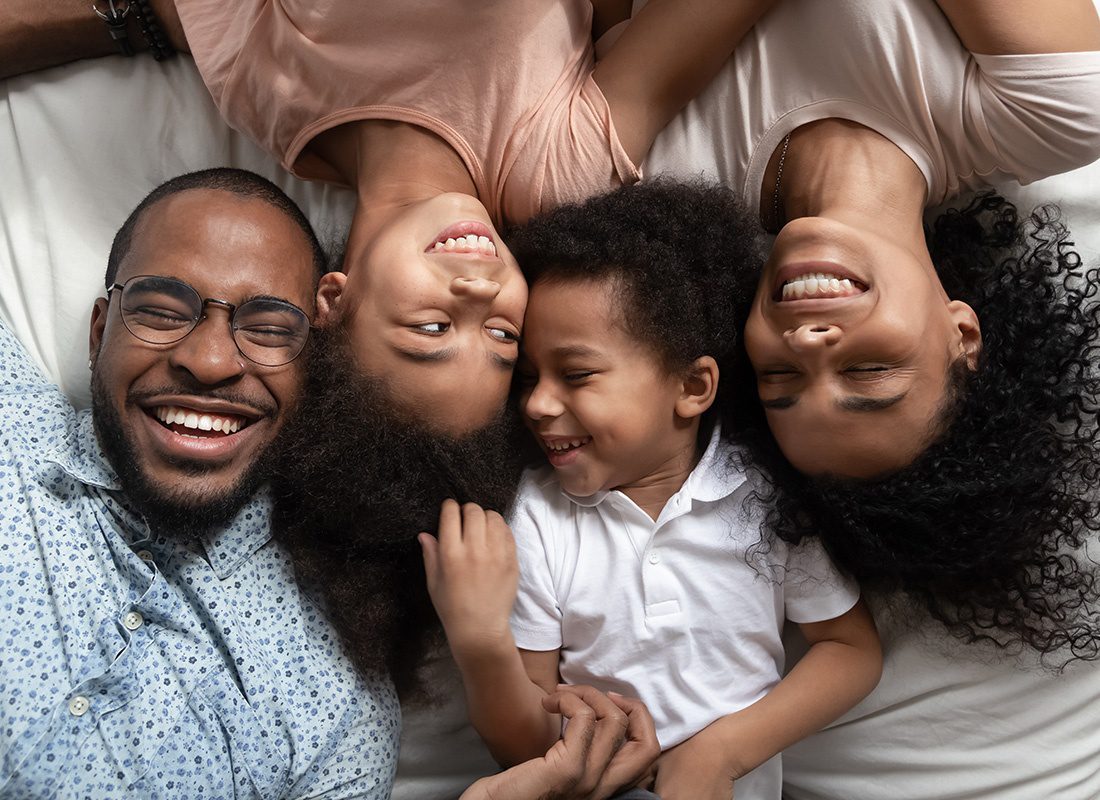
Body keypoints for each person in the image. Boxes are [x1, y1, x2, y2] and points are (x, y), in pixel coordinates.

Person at [0, 166, 660, 799]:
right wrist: (152, 39)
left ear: (317, 356)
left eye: (266, 327)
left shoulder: (336, 712)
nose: (206, 361)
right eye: (161, 310)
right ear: (98, 333)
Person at [421, 182, 883, 800]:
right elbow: (524, 748)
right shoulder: (536, 518)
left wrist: (721, 752)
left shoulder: (762, 499)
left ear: (692, 388)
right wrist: (479, 645)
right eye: (529, 378)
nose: (535, 403)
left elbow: (850, 650)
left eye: (577, 374)